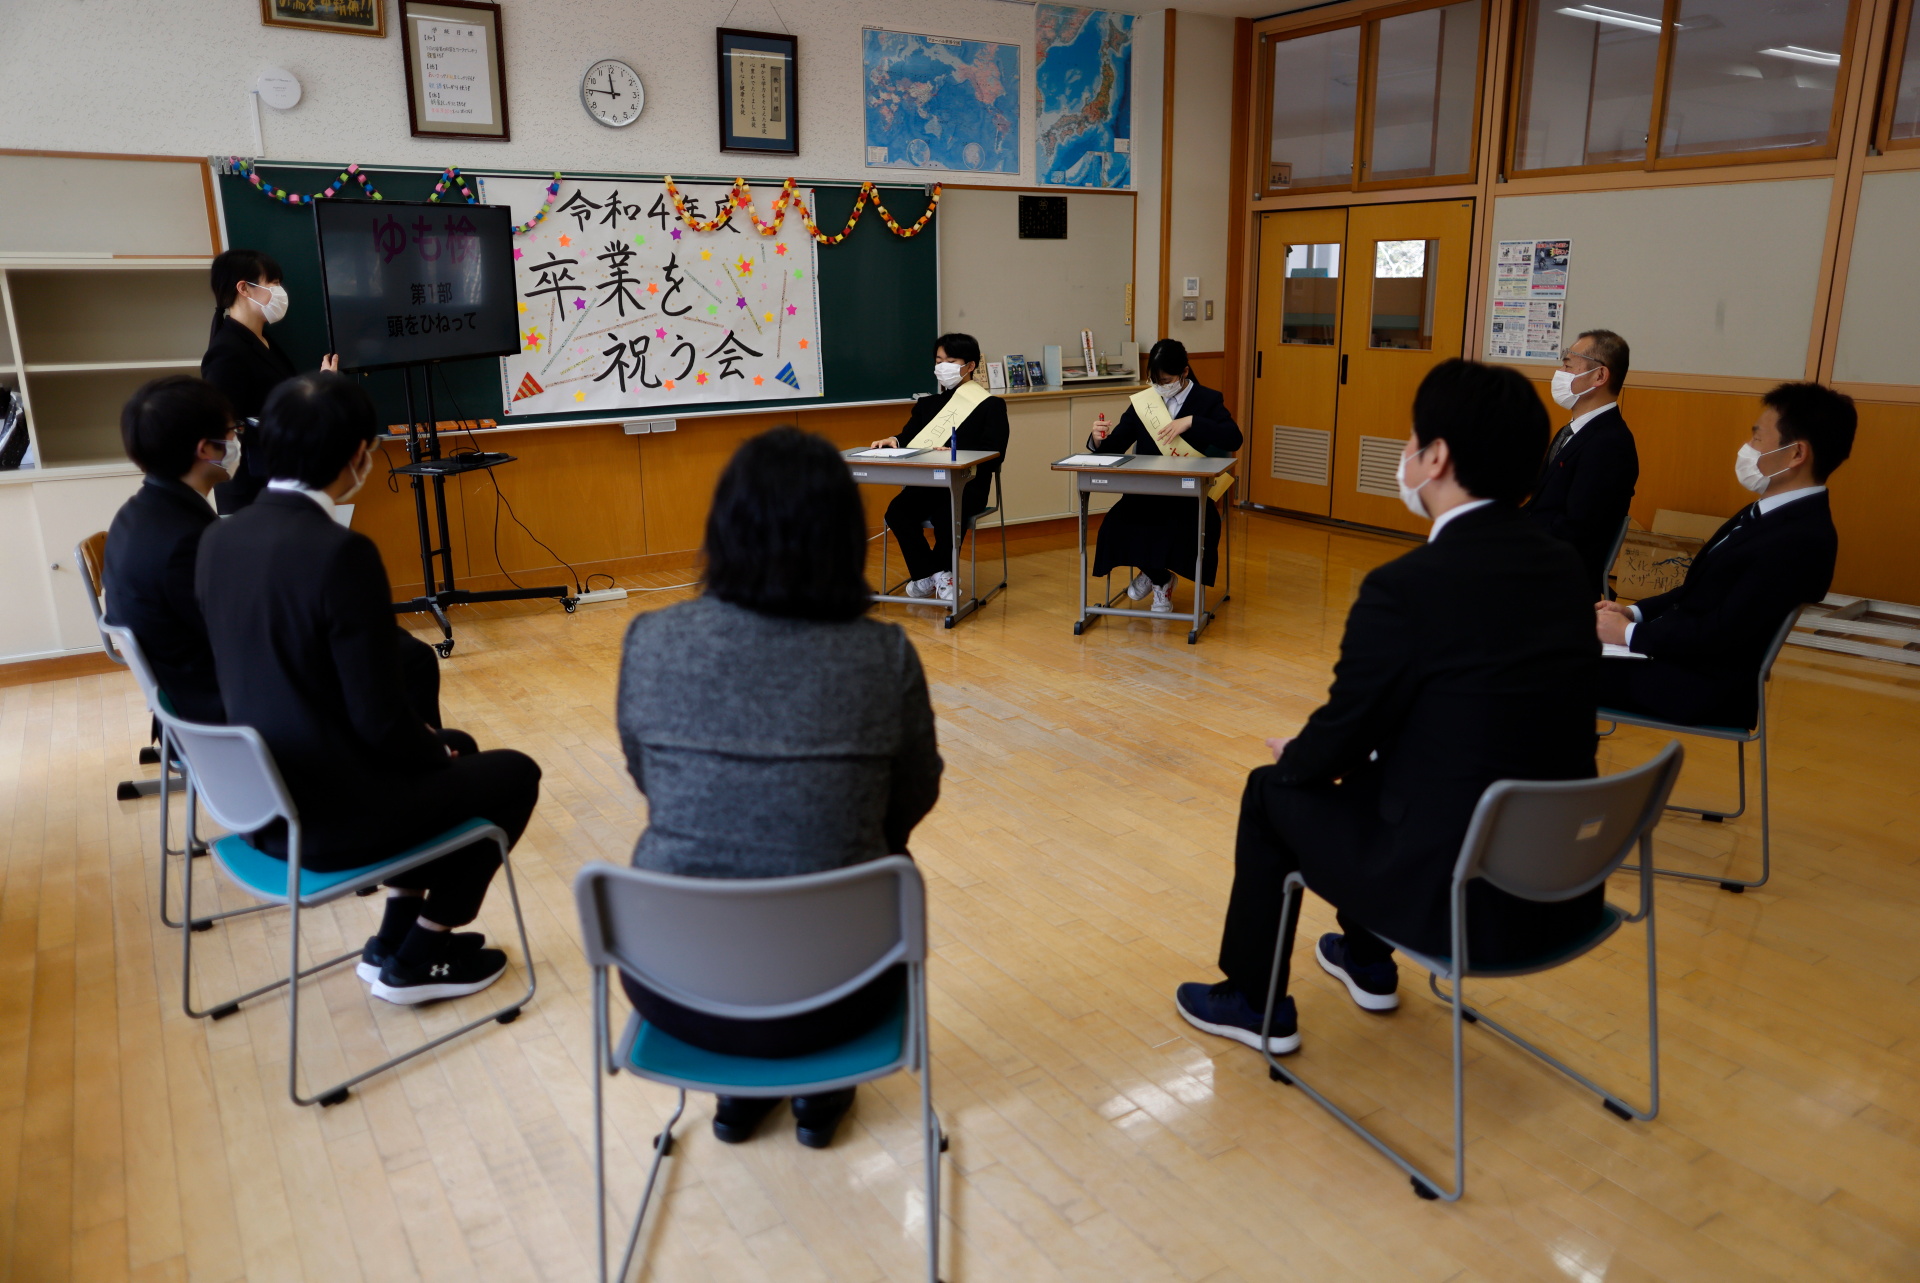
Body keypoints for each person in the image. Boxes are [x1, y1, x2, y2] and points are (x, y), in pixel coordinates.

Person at [1176, 360, 1601, 1055]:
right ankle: (1365, 956)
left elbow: (1345, 730)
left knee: (1270, 791)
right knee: (1388, 766)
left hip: (1456, 896)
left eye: (1411, 441)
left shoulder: (1408, 586)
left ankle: (1254, 1000)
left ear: (1435, 458)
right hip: (1561, 882)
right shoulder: (1563, 568)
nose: (1406, 453)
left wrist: (1302, 756)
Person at [616, 426, 943, 1149]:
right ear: (843, 534)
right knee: (888, 870)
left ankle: (737, 1092)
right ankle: (819, 1097)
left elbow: (651, 779)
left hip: (676, 987)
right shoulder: (882, 655)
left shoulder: (652, 639)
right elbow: (915, 793)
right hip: (843, 991)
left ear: (723, 527)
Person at [196, 373, 542, 1005]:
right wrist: (432, 753)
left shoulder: (221, 537)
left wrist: (436, 747)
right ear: (360, 452)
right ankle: (420, 956)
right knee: (514, 774)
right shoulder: (339, 552)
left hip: (260, 804)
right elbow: (381, 722)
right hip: (328, 817)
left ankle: (392, 936)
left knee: (456, 742)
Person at [1597, 381, 1853, 728]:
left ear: (1796, 454)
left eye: (1758, 438)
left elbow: (1722, 634)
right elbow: (1696, 593)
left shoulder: (1800, 539)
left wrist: (1627, 635)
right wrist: (1632, 612)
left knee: (1543, 665)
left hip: (1701, 687)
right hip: (1677, 661)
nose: (1747, 448)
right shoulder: (1768, 512)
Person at [103, 376, 242, 723]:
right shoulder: (185, 541)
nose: (236, 440)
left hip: (186, 693)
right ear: (205, 448)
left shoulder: (136, 512)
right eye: (231, 431)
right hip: (218, 709)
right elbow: (241, 637)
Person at [1084, 338, 1242, 614]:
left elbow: (1233, 437)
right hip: (1145, 493)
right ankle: (1160, 578)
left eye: (1166, 379)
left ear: (1184, 372)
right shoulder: (1145, 402)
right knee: (1114, 526)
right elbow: (1114, 446)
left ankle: (1155, 578)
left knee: (1169, 531)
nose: (1160, 386)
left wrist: (1192, 421)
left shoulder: (1207, 400)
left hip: (1189, 496)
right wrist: (1098, 439)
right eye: (1154, 380)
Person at [868, 333, 1010, 602]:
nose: (943, 366)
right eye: (939, 360)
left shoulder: (990, 405)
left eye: (951, 360)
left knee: (947, 516)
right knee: (898, 512)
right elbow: (908, 437)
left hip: (969, 484)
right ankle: (936, 576)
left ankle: (928, 578)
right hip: (930, 482)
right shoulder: (927, 404)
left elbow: (996, 453)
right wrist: (893, 441)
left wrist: (957, 453)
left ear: (970, 366)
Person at [200, 248, 337, 515]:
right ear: (244, 289)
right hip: (252, 491)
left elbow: (277, 402)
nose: (279, 291)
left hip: (280, 479)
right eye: (272, 283)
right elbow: (224, 429)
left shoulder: (264, 341)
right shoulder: (226, 351)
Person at [1525, 329, 1639, 594]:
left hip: (1560, 576)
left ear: (1599, 376)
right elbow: (1540, 507)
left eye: (1568, 365)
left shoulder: (1609, 444)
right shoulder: (1574, 432)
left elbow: (1577, 528)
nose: (1560, 374)